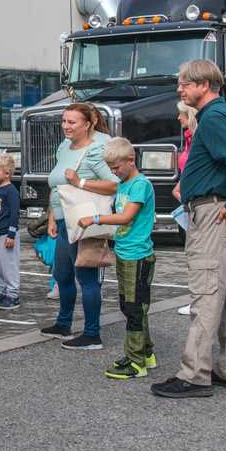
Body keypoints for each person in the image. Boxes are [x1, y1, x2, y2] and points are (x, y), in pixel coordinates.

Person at [151, 59, 226, 399]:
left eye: (185, 84)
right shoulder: (224, 114)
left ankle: (194, 374)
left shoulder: (212, 118)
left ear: (204, 85)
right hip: (222, 209)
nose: (179, 89)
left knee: (207, 293)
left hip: (214, 213)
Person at [39, 103, 116, 350]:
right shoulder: (64, 147)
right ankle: (64, 323)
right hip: (63, 220)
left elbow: (114, 183)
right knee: (62, 274)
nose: (66, 126)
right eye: (64, 121)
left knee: (86, 277)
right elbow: (56, 186)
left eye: (72, 122)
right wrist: (52, 216)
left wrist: (80, 181)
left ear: (88, 124)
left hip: (82, 222)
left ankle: (92, 334)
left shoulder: (95, 150)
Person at [78, 137, 156, 379]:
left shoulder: (140, 185)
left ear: (131, 160)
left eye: (116, 167)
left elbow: (126, 217)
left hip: (138, 255)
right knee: (131, 305)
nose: (114, 172)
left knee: (134, 307)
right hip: (125, 252)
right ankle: (146, 353)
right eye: (111, 168)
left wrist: (95, 219)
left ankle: (136, 363)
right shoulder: (123, 184)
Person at [0, 152, 21, 309]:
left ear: (7, 173)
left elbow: (14, 214)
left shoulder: (11, 191)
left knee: (9, 265)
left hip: (6, 233)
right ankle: (2, 291)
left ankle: (13, 294)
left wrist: (11, 234)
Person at [174, 101, 199, 316]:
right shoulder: (189, 139)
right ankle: (197, 298)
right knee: (192, 253)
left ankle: (199, 300)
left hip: (197, 204)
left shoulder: (198, 138)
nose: (178, 118)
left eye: (181, 114)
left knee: (198, 254)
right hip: (188, 202)